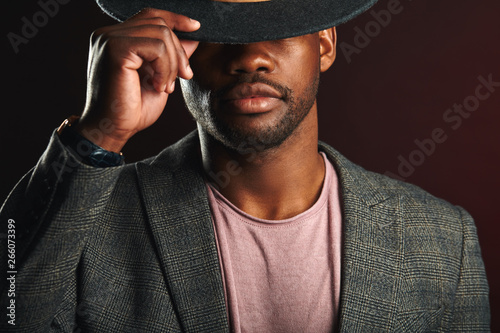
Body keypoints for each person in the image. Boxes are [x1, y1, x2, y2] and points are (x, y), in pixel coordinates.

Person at [0, 0, 490, 331]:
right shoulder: (89, 219)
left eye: (277, 31)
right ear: (169, 49)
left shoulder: (444, 239)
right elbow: (11, 310)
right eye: (217, 35)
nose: (250, 58)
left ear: (324, 44)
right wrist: (100, 132)